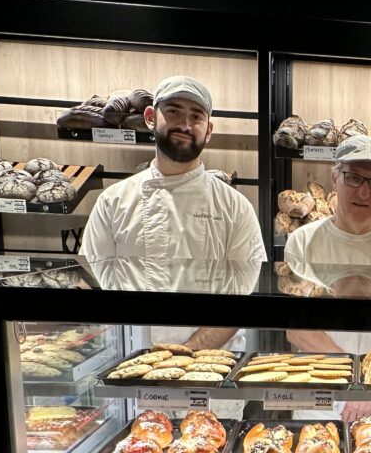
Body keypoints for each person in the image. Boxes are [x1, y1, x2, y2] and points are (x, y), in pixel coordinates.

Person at [81, 75, 267, 352]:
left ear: (209, 130)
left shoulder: (235, 207)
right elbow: (100, 283)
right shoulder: (113, 201)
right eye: (173, 111)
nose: (185, 124)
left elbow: (240, 298)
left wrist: (185, 354)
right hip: (132, 361)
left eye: (196, 116)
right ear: (150, 117)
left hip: (213, 369)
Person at [283, 134, 371, 423]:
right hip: (322, 391)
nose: (364, 192)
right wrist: (354, 375)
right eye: (354, 178)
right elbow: (296, 329)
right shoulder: (302, 241)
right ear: (334, 178)